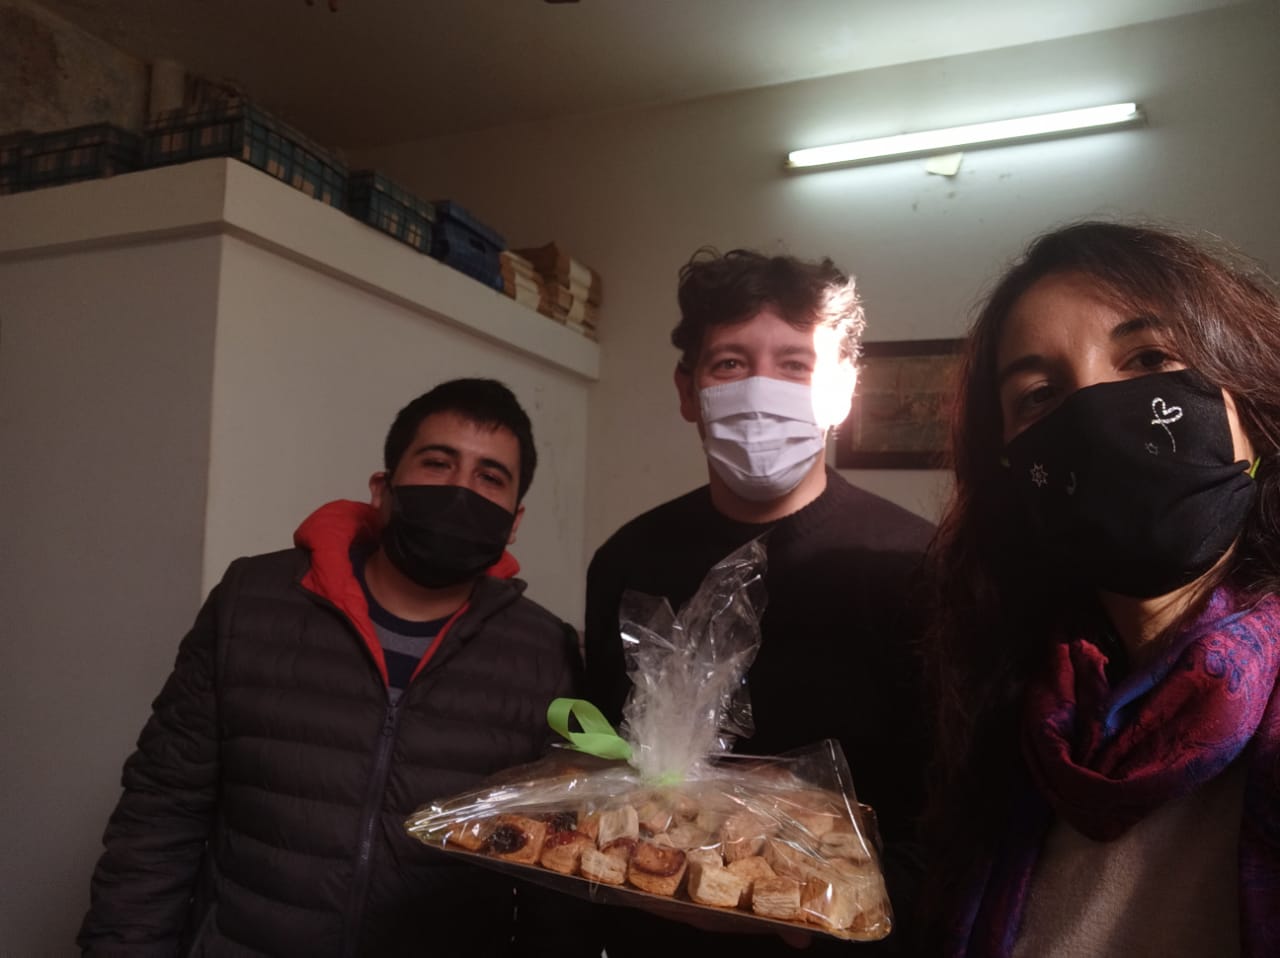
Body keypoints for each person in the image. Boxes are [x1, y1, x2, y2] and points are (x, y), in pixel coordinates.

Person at [78, 378, 591, 957]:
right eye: (437, 463)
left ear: (514, 522)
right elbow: (159, 813)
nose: (459, 491)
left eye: (489, 477)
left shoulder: (544, 654)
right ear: (382, 489)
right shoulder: (252, 603)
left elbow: (555, 872)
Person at [921, 221, 1280, 957]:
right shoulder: (1010, 717)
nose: (1094, 418)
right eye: (1039, 395)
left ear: (1246, 400)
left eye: (1148, 358)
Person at [583, 248, 936, 955]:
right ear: (688, 391)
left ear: (843, 390)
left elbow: (950, 813)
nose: (760, 390)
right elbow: (600, 756)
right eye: (730, 364)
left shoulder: (919, 567)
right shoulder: (628, 559)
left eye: (795, 365)